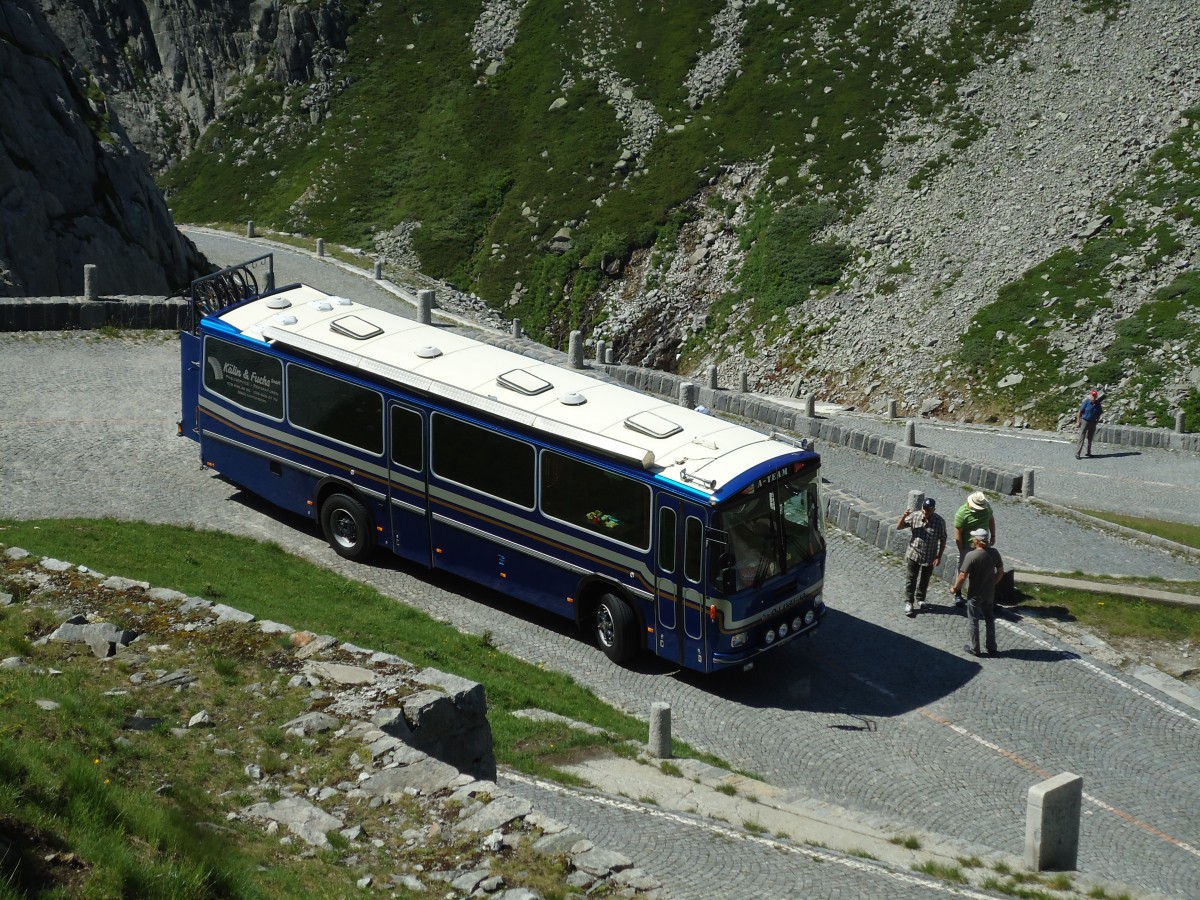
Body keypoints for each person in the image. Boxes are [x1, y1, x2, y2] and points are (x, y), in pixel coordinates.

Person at [950, 528, 1004, 657]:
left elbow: (962, 576)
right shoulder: (994, 553)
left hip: (975, 594)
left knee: (973, 620)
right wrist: (993, 583)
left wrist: (955, 588)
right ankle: (992, 647)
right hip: (989, 592)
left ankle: (975, 648)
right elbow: (1001, 571)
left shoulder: (972, 556)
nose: (973, 540)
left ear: (978, 541)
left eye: (974, 538)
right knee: (989, 619)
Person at [896, 497, 946, 617]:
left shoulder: (939, 522)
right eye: (924, 508)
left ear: (933, 509)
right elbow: (899, 527)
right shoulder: (915, 516)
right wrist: (904, 516)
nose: (925, 511)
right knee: (911, 579)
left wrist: (939, 556)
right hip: (914, 553)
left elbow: (943, 539)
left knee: (925, 579)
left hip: (929, 555)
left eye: (928, 509)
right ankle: (909, 602)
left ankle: (921, 599)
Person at [952, 492, 994, 607]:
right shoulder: (962, 513)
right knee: (963, 570)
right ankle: (958, 594)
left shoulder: (987, 508)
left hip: (983, 544)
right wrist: (962, 550)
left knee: (982, 571)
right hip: (968, 545)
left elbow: (991, 519)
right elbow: (958, 533)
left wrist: (993, 535)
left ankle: (980, 594)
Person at [1076, 389, 1103, 459]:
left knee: (1090, 438)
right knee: (1082, 437)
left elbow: (1099, 412)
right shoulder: (1086, 402)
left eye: (1095, 396)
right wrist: (1078, 421)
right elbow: (1079, 412)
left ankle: (1088, 452)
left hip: (1093, 422)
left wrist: (1097, 420)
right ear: (1091, 395)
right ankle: (1078, 453)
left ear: (1096, 396)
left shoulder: (1098, 404)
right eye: (1092, 395)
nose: (1093, 397)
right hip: (1085, 421)